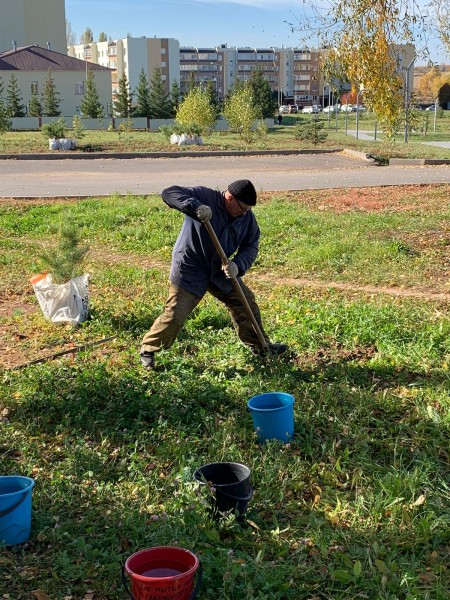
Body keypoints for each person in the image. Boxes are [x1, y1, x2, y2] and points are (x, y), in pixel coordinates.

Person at [140, 179, 288, 369]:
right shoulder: (204, 196)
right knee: (176, 312)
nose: (243, 213)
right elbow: (169, 193)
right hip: (191, 267)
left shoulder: (247, 219)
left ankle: (261, 346)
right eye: (242, 208)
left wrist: (237, 265)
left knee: (245, 303)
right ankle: (148, 350)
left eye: (247, 210)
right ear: (229, 197)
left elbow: (251, 246)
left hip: (220, 269)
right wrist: (194, 206)